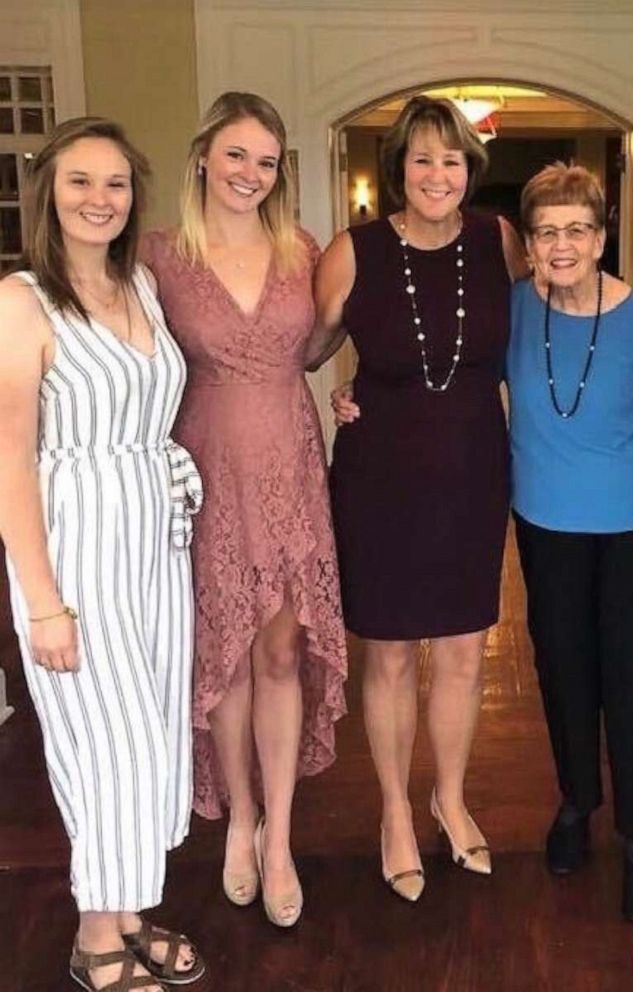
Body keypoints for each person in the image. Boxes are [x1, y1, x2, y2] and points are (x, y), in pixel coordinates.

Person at [0, 118, 205, 991]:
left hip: (153, 548)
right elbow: (7, 453)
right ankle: (93, 938)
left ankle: (127, 910)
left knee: (151, 734)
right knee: (102, 742)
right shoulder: (20, 301)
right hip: (75, 547)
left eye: (115, 184)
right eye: (79, 182)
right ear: (48, 192)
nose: (98, 199)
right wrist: (42, 602)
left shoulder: (142, 285)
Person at [310, 95, 528, 902]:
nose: (437, 174)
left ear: (470, 170)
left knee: (466, 650)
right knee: (392, 653)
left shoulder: (498, 241)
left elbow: (544, 320)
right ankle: (394, 813)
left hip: (473, 468)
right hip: (380, 477)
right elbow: (302, 347)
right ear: (396, 168)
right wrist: (338, 391)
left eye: (452, 160)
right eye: (421, 159)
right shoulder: (352, 250)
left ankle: (452, 797)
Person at [141, 92, 347, 928]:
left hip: (292, 463)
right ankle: (239, 823)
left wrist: (356, 394)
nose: (250, 174)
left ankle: (282, 836)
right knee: (221, 655)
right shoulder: (156, 255)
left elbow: (325, 338)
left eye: (266, 161)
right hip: (205, 467)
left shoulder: (300, 248)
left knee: (280, 649)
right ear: (202, 157)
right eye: (236, 156)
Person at [508, 163, 633, 923]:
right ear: (527, 242)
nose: (562, 245)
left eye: (577, 230)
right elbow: (446, 383)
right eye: (546, 231)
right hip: (545, 525)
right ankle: (575, 802)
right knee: (562, 674)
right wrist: (362, 397)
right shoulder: (514, 311)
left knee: (632, 682)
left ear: (600, 236)